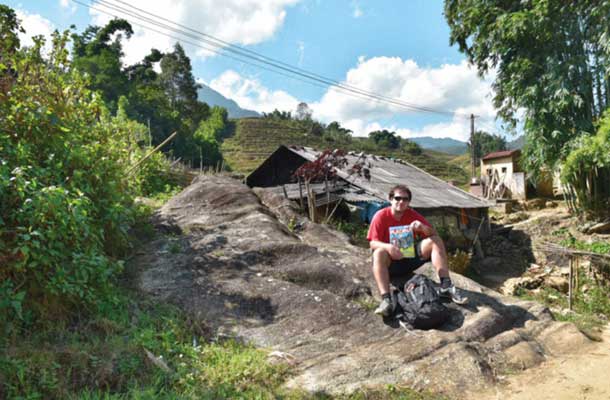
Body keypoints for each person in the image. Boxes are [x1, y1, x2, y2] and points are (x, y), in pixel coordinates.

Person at [367, 184, 467, 316]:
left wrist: (422, 228)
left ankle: (446, 286)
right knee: (379, 252)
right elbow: (372, 243)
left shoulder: (412, 214)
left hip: (408, 259)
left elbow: (433, 233)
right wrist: (389, 247)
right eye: (397, 198)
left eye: (405, 199)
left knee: (435, 240)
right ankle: (386, 300)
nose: (401, 202)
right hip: (390, 264)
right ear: (390, 199)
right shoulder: (380, 216)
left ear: (409, 201)